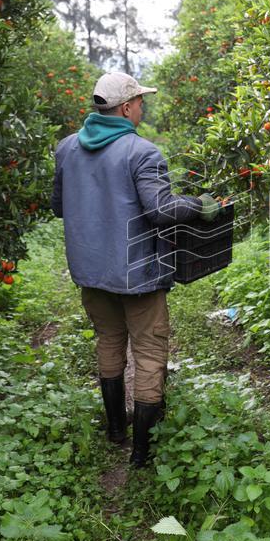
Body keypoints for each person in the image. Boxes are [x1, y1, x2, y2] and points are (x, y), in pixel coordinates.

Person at [50, 71, 219, 468]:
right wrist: (200, 205)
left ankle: (115, 430)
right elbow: (161, 211)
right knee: (148, 352)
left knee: (108, 341)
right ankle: (141, 453)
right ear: (125, 108)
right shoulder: (141, 153)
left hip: (92, 273)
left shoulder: (67, 148)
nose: (144, 106)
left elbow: (59, 207)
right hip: (138, 275)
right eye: (140, 101)